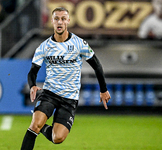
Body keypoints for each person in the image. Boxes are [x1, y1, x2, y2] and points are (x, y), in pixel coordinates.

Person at [21, 7, 111, 150]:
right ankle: (39, 125)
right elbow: (32, 71)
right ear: (52, 21)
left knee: (58, 138)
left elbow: (97, 65)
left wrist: (103, 89)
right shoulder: (43, 47)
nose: (60, 22)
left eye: (63, 19)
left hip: (70, 98)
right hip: (50, 94)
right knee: (34, 126)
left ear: (68, 21)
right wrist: (32, 85)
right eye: (56, 18)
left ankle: (43, 127)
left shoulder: (79, 44)